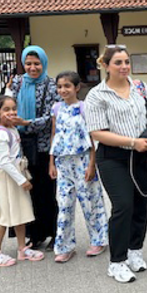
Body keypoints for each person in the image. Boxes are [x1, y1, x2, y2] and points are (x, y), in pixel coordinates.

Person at [85, 46, 147, 284]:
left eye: (127, 62)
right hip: (113, 157)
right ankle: (116, 262)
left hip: (144, 154)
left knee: (142, 204)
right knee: (123, 206)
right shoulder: (97, 95)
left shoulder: (140, 87)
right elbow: (97, 133)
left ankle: (134, 250)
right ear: (106, 66)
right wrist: (133, 142)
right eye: (118, 62)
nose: (124, 67)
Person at [48, 71, 109, 263]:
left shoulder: (84, 108)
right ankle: (65, 246)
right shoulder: (56, 108)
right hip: (63, 163)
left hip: (83, 161)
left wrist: (92, 164)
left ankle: (99, 240)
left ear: (77, 87)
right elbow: (54, 135)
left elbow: (93, 138)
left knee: (90, 203)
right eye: (59, 86)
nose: (63, 90)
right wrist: (51, 161)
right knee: (65, 205)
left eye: (67, 86)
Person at [0, 96, 45, 267]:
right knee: (5, 216)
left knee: (19, 213)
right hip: (7, 178)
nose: (12, 112)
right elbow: (4, 162)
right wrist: (22, 180)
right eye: (6, 110)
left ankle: (22, 248)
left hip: (15, 175)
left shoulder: (12, 128)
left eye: (13, 108)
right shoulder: (0, 133)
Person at [8, 46, 60, 249]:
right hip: (20, 146)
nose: (32, 68)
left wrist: (27, 122)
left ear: (44, 63)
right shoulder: (17, 83)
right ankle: (35, 234)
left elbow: (51, 118)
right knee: (27, 191)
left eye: (37, 64)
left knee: (47, 192)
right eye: (28, 63)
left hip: (44, 146)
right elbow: (8, 105)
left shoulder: (52, 85)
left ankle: (56, 233)